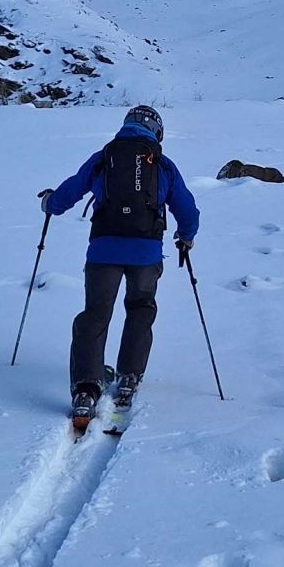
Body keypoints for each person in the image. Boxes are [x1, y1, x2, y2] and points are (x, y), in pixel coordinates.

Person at [40, 104, 199, 427]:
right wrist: (186, 237)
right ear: (158, 133)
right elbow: (187, 208)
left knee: (95, 314)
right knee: (140, 307)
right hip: (146, 253)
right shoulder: (163, 165)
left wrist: (50, 203)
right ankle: (129, 376)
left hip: (103, 250)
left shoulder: (104, 157)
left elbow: (71, 190)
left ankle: (86, 387)